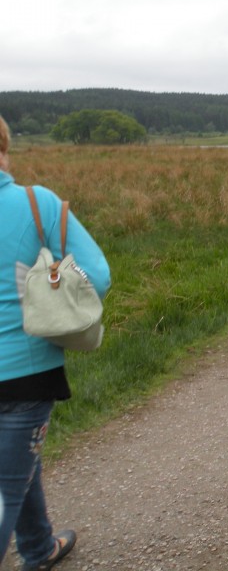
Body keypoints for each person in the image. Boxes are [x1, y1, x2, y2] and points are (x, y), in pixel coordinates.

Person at [0, 114, 111, 570]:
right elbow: (98, 277)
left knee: (19, 464)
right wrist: (51, 293)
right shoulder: (35, 203)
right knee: (7, 486)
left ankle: (38, 547)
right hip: (24, 374)